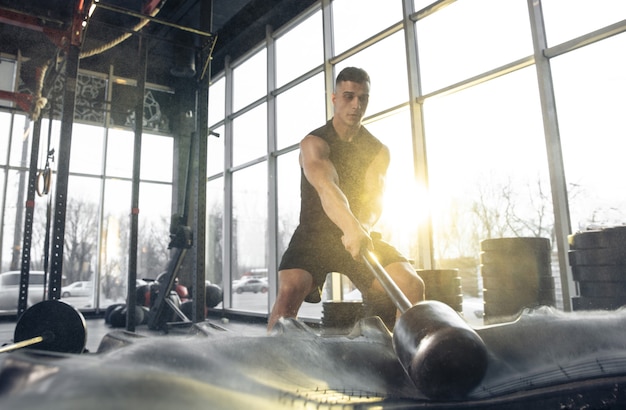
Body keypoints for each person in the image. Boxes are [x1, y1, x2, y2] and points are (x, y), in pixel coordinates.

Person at [267, 67, 425, 332]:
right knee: (290, 289)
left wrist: (361, 227)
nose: (356, 105)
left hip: (360, 234)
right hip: (313, 236)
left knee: (411, 284)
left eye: (363, 98)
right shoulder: (314, 143)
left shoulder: (378, 150)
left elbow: (375, 200)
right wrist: (350, 226)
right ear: (334, 99)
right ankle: (272, 363)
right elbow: (327, 187)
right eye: (349, 96)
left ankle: (405, 357)